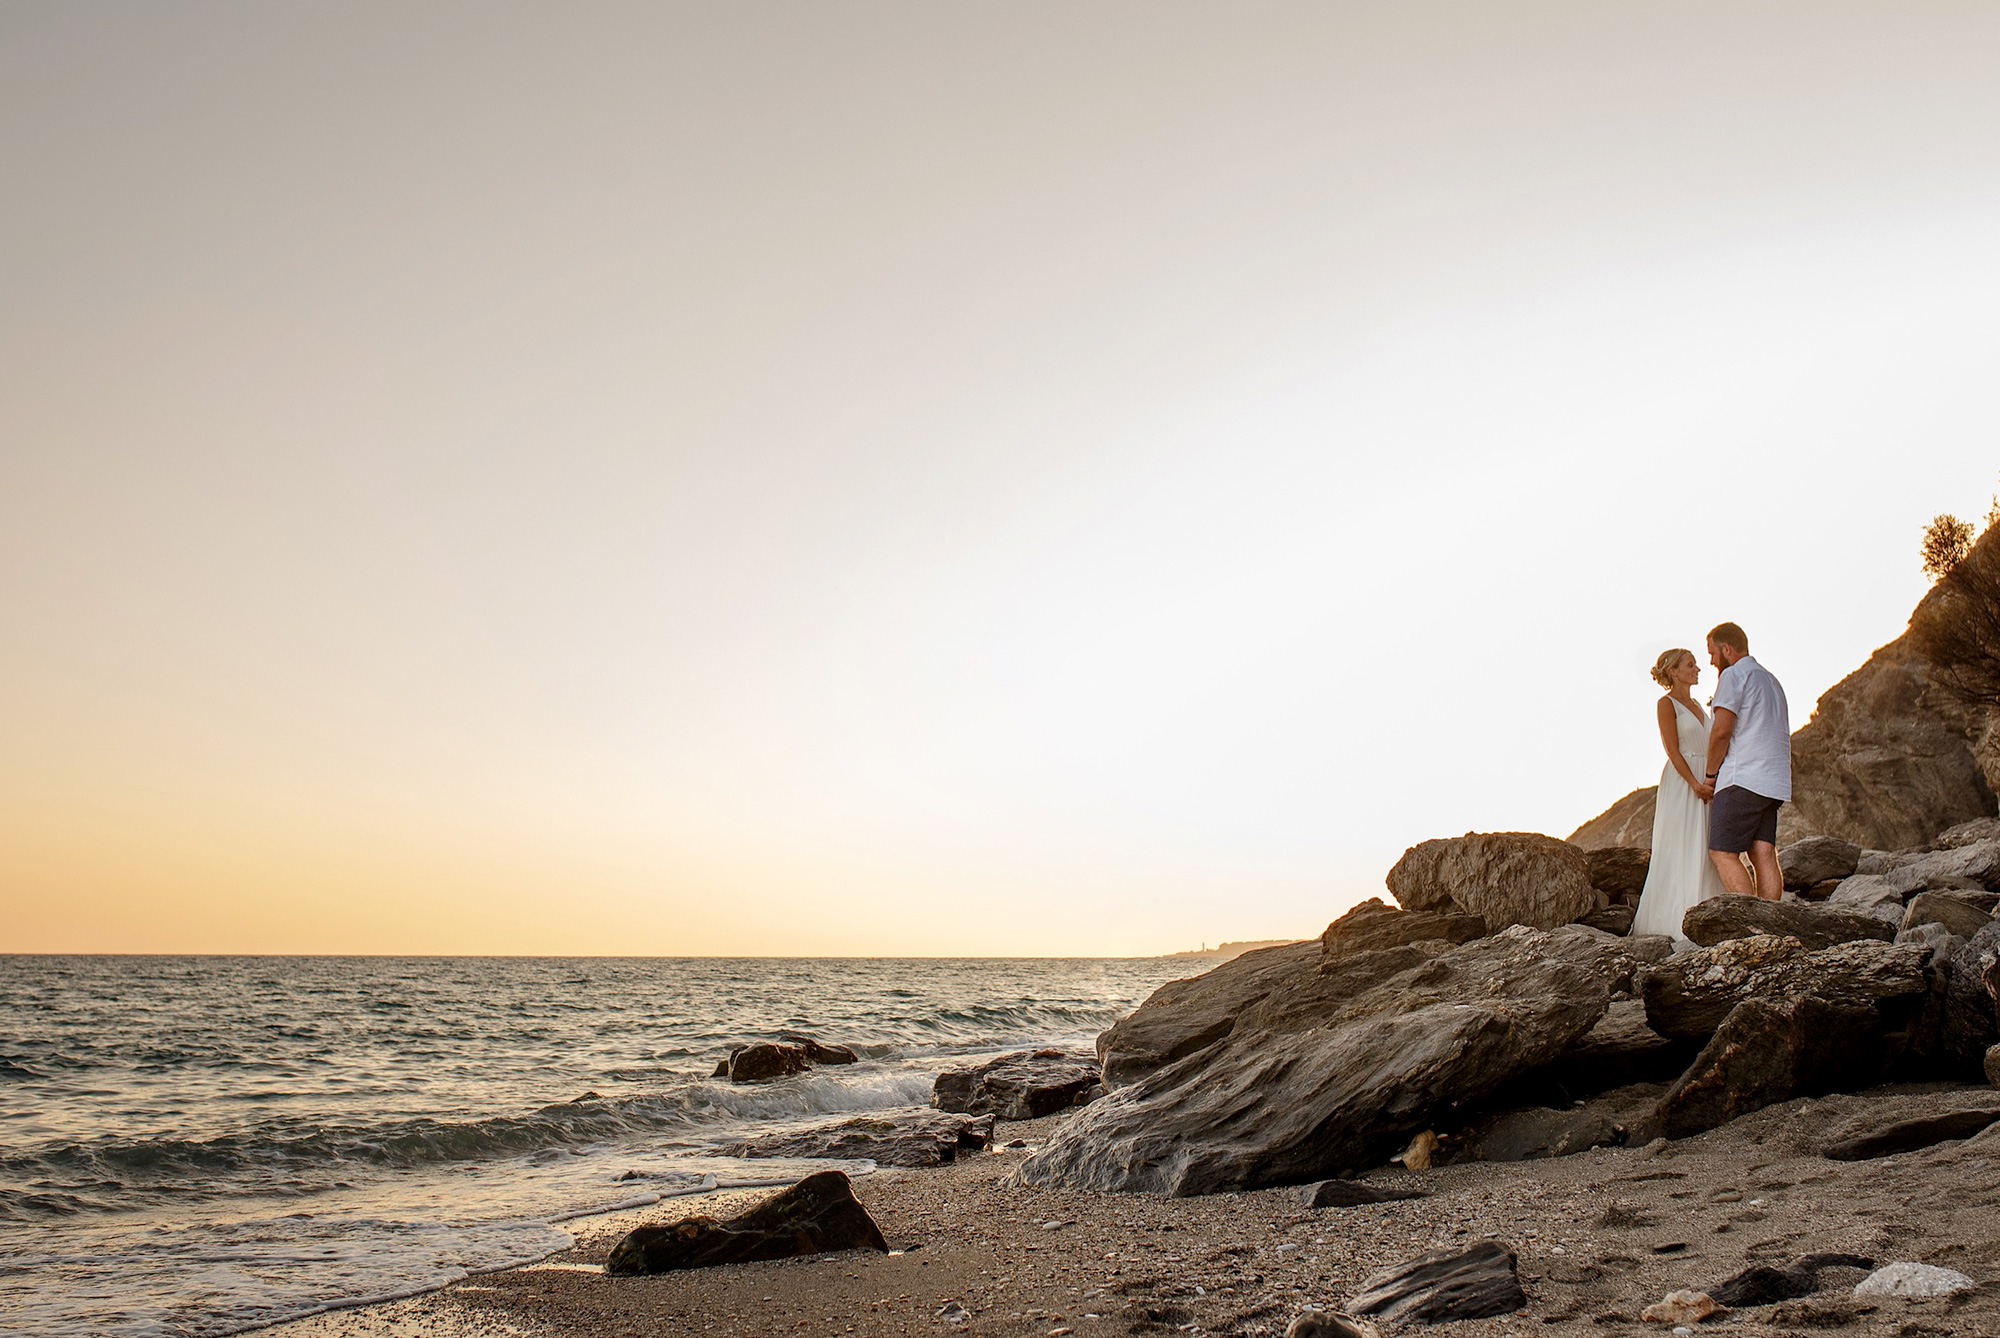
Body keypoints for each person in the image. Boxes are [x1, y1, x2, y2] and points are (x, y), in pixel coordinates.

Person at [1632, 648, 1728, 941]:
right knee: (1683, 844)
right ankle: (1675, 920)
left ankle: (1709, 912)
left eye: (1697, 664)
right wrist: (1694, 783)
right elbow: (1672, 750)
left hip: (1708, 777)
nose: (1697, 668)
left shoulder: (1700, 704)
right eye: (1690, 665)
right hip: (1684, 779)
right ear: (1673, 672)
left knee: (1707, 846)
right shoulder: (1667, 704)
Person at [1702, 621, 1790, 901]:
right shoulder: (1770, 680)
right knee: (1763, 852)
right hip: (1774, 781)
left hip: (1742, 778)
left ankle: (1750, 925)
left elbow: (1722, 731)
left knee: (1722, 852)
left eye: (1713, 653)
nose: (1712, 661)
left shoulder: (1733, 676)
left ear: (1727, 648)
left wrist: (1711, 774)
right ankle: (1772, 922)